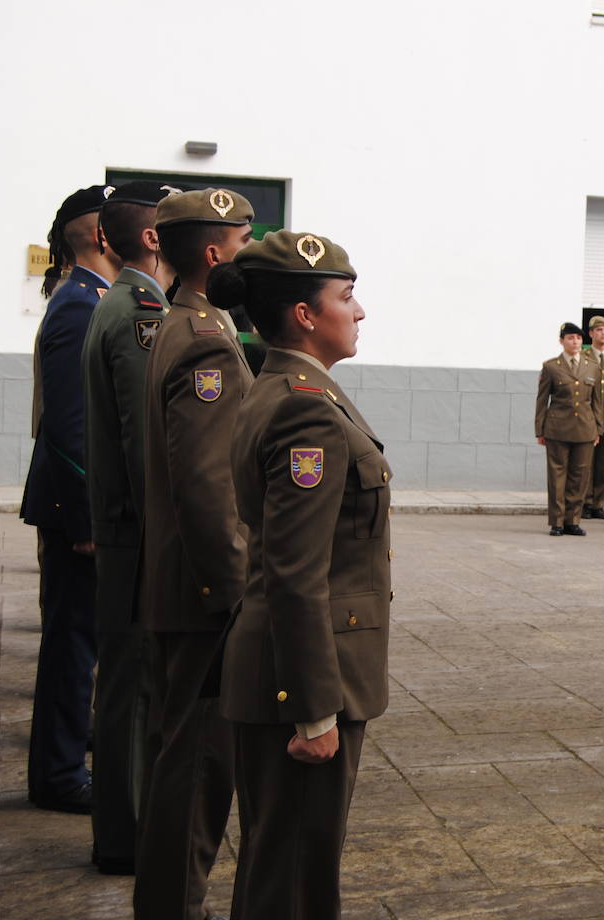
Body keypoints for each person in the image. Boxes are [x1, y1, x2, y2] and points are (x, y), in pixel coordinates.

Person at [211, 230, 390, 919]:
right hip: (308, 683)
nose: (361, 311)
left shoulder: (283, 388)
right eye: (346, 297)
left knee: (278, 858)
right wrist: (314, 708)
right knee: (293, 872)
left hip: (289, 668)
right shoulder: (306, 407)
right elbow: (294, 571)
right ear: (307, 316)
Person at [136, 189, 255, 919]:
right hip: (205, 595)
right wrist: (239, 590)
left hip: (178, 585)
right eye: (243, 241)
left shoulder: (175, 323)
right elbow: (208, 488)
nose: (250, 253)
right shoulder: (207, 339)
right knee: (198, 767)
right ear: (214, 254)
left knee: (182, 756)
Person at [81, 181, 177, 867]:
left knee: (126, 682)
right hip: (138, 531)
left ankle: (123, 831)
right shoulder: (143, 310)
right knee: (135, 688)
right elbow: (147, 436)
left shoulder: (125, 302)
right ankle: (130, 836)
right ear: (152, 237)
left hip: (124, 527)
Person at [22, 186, 118, 819]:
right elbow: (68, 423)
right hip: (72, 513)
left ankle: (68, 746)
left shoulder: (93, 301)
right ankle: (57, 773)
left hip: (75, 507)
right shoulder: (80, 306)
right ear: (104, 238)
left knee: (82, 639)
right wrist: (87, 518)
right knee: (71, 644)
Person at [537, 323, 602, 535]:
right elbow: (542, 400)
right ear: (561, 341)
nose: (575, 342)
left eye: (578, 338)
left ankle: (572, 520)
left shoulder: (592, 366)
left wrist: (597, 430)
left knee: (579, 475)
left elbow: (597, 401)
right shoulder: (551, 366)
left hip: (584, 428)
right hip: (557, 428)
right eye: (570, 338)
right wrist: (540, 430)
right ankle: (557, 522)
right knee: (557, 476)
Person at [581, 315, 604, 520]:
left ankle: (598, 504)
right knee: (586, 462)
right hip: (588, 417)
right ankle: (585, 501)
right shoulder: (583, 356)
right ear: (591, 333)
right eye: (598, 330)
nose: (603, 333)